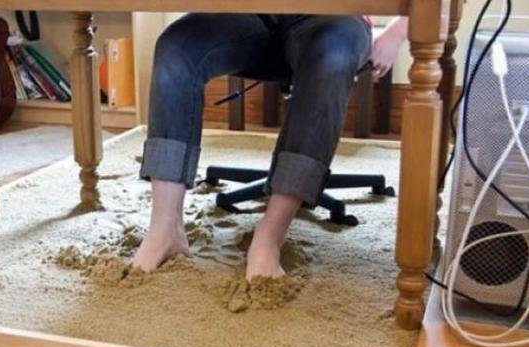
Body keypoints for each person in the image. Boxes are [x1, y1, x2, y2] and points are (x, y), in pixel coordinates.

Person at [132, 14, 408, 280]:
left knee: (332, 56)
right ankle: (165, 228)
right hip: (251, 14)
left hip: (335, 19)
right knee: (177, 45)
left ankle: (269, 238)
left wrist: (399, 29)